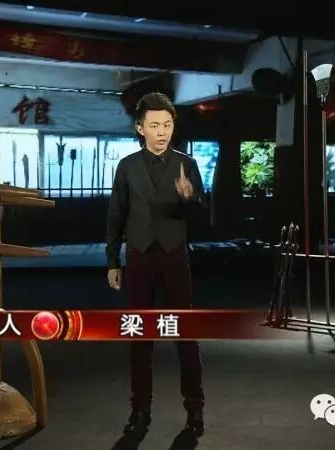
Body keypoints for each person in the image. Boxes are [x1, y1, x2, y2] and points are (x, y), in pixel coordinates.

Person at [105, 92, 207, 436]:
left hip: (175, 254)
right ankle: (140, 411)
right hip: (138, 255)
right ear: (140, 128)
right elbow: (115, 215)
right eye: (154, 125)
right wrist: (112, 261)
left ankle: (195, 409)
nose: (162, 132)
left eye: (167, 125)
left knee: (184, 334)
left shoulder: (186, 164)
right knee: (140, 335)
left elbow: (204, 214)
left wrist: (190, 196)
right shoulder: (127, 166)